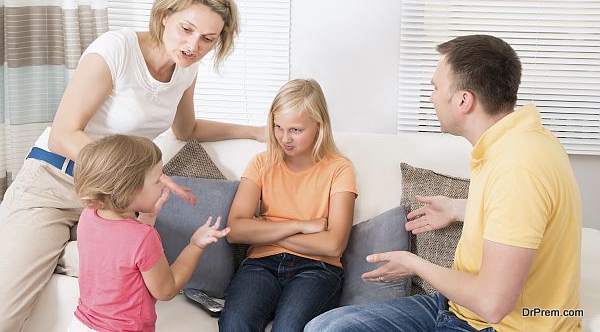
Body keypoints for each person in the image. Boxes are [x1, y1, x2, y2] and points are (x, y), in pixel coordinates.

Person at [0, 0, 263, 331]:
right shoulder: (116, 49)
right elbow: (64, 135)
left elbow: (186, 130)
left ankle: (57, 253)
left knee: (137, 275)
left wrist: (255, 131)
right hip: (55, 182)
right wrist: (136, 176)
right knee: (5, 312)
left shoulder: (186, 70)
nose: (192, 45)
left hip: (114, 203)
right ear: (165, 15)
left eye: (207, 39)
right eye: (186, 29)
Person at [305, 35, 582, 332]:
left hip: (496, 326)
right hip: (457, 309)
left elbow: (493, 303)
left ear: (464, 100)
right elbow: (520, 212)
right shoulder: (518, 140)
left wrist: (414, 264)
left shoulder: (518, 167)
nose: (432, 97)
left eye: (436, 88)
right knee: (327, 327)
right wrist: (462, 208)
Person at [218, 79, 358, 332]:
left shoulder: (340, 168)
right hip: (261, 264)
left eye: (295, 130)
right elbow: (235, 231)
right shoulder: (261, 163)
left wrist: (266, 228)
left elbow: (333, 244)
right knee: (235, 324)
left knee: (289, 327)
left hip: (317, 269)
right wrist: (300, 226)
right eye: (278, 127)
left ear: (319, 124)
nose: (284, 138)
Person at [68, 134, 229, 332]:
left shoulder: (88, 217)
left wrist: (148, 218)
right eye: (156, 180)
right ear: (128, 191)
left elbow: (122, 249)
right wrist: (195, 245)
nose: (163, 184)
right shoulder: (143, 237)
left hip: (81, 325)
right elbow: (166, 289)